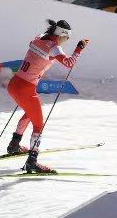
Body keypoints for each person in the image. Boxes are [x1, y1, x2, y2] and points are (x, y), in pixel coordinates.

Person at [5, 19, 88, 174]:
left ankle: (14, 145)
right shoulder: (54, 47)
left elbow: (39, 45)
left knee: (30, 114)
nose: (66, 41)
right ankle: (32, 163)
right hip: (26, 88)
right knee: (38, 125)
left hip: (14, 84)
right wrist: (79, 49)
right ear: (62, 35)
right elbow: (69, 63)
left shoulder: (40, 37)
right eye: (66, 38)